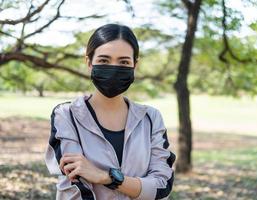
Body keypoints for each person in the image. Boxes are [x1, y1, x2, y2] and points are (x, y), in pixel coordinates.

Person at [44, 23, 176, 200]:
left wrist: (105, 177)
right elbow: (75, 187)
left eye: (123, 62)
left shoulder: (151, 118)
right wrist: (137, 186)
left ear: (134, 65)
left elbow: (162, 186)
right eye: (104, 60)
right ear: (89, 62)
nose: (114, 69)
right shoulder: (66, 115)